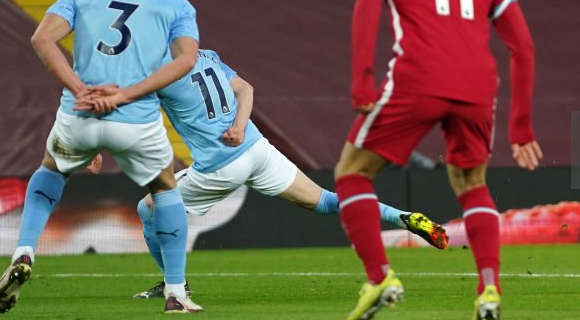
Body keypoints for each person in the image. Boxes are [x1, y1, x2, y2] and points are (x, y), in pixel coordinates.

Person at [334, 0, 542, 320]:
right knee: (471, 185)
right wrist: (522, 125)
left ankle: (380, 278)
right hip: (476, 88)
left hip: (417, 80)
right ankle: (489, 287)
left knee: (351, 173)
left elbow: (366, 12)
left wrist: (362, 81)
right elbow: (522, 46)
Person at [110, 49, 449, 299]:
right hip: (258, 149)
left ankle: (175, 284)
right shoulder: (208, 56)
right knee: (327, 202)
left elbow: (131, 117)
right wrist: (240, 127)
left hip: (219, 165)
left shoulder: (161, 74)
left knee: (149, 208)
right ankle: (404, 215)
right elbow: (246, 89)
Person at [0, 0, 203, 315]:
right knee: (165, 189)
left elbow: (42, 38)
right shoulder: (176, 3)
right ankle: (176, 292)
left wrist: (78, 88)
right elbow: (186, 59)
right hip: (135, 118)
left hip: (80, 111)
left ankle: (23, 251)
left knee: (51, 170)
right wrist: (126, 94)